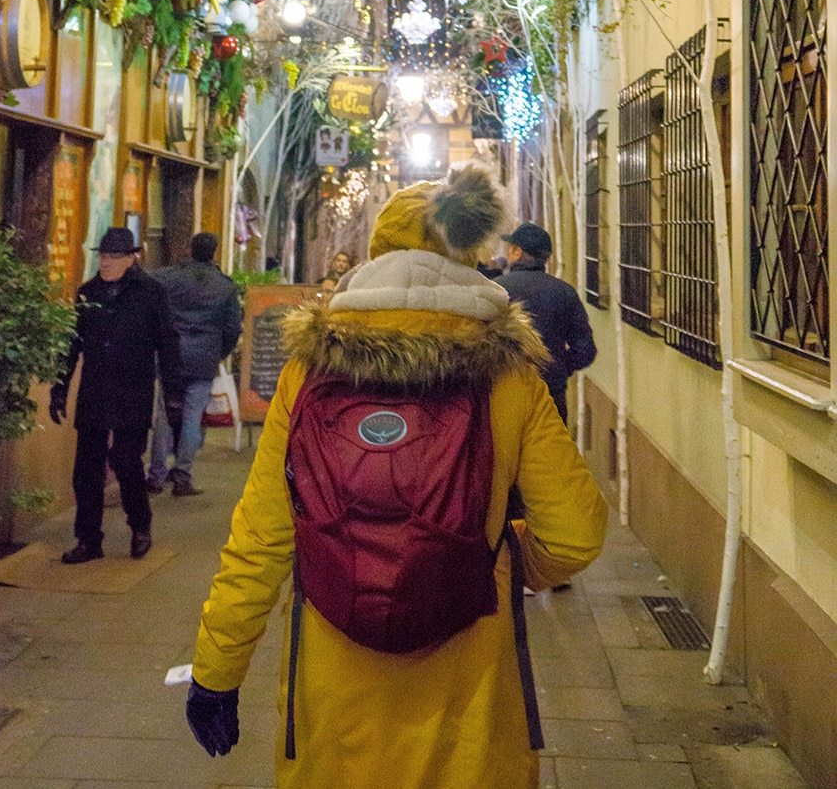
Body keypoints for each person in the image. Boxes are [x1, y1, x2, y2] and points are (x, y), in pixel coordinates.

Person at [184, 165, 607, 788]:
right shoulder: (509, 374)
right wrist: (496, 559)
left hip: (336, 703)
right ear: (465, 248)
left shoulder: (309, 372)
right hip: (468, 698)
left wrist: (216, 672)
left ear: (377, 252)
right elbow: (576, 533)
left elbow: (262, 537)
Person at [49, 226, 182, 564]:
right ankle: (88, 539)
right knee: (87, 470)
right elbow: (71, 345)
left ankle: (140, 526)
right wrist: (60, 387)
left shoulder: (151, 294)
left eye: (113, 257)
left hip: (133, 390)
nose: (105, 263)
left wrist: (173, 395)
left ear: (130, 259)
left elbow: (167, 345)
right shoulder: (87, 293)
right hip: (95, 390)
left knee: (126, 463)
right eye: (102, 256)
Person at [150, 233, 242, 498]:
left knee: (165, 417)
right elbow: (232, 327)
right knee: (192, 416)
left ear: (191, 249)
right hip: (203, 359)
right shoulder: (224, 286)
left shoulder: (170, 278)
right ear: (215, 251)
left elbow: (150, 284)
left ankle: (155, 475)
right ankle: (182, 475)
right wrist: (218, 352)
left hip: (171, 355)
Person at [497, 222, 597, 425]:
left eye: (511, 248)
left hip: (503, 391)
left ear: (517, 253)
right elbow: (585, 349)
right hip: (551, 393)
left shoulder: (496, 290)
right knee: (551, 452)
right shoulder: (564, 292)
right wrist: (559, 366)